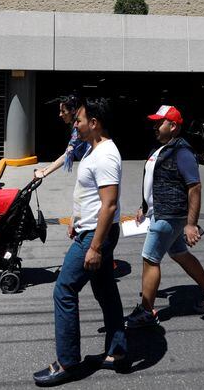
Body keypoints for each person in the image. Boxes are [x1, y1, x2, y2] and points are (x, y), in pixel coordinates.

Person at [33, 98, 128, 386]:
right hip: (89, 230)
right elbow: (90, 196)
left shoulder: (106, 156)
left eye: (79, 120)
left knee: (64, 289)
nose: (75, 124)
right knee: (106, 290)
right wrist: (77, 220)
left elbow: (109, 206)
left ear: (94, 123)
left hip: (95, 236)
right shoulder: (92, 149)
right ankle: (117, 351)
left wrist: (95, 246)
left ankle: (68, 362)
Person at [125, 105, 204, 329]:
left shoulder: (182, 152)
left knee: (150, 258)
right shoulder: (160, 148)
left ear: (173, 126)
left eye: (159, 122)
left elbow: (195, 188)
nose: (154, 126)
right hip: (160, 212)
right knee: (179, 253)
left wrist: (191, 224)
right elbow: (153, 182)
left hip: (170, 216)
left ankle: (146, 311)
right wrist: (144, 206)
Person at [34, 95, 89, 180]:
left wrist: (45, 173)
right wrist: (45, 169)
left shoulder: (78, 128)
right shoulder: (74, 125)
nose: (60, 114)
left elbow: (66, 155)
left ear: (73, 110)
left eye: (63, 111)